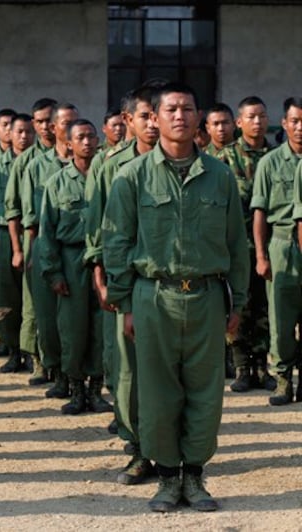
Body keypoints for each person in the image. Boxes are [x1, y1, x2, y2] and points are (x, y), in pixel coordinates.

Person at [103, 82, 249, 513]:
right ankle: (167, 476)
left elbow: (237, 245)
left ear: (198, 116)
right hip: (153, 297)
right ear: (155, 118)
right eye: (170, 109)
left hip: (206, 297)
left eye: (188, 108)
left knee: (206, 393)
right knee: (158, 392)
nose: (180, 116)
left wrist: (236, 302)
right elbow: (117, 244)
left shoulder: (219, 176)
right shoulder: (131, 176)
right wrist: (125, 302)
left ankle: (195, 476)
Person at [85, 83, 160, 485]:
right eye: (144, 116)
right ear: (128, 120)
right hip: (126, 281)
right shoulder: (109, 164)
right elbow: (98, 227)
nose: (152, 123)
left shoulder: (181, 162)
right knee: (128, 370)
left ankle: (169, 447)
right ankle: (136, 448)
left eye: (156, 115)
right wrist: (102, 278)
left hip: (167, 282)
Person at [40, 118, 110, 416]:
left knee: (100, 328)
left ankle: (96, 389)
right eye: (80, 137)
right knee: (72, 329)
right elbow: (47, 230)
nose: (86, 142)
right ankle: (75, 389)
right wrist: (53, 272)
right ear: (68, 143)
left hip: (103, 261)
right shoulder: (57, 183)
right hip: (71, 261)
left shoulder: (108, 177)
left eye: (91, 137)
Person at [18, 103, 79, 389]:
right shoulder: (36, 166)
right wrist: (32, 254)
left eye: (74, 123)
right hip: (43, 247)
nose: (70, 129)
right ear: (53, 128)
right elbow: (31, 218)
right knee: (45, 314)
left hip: (78, 253)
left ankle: (76, 375)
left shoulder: (92, 162)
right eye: (65, 123)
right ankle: (51, 367)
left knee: (76, 319)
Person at [217, 96, 275, 393]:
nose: (257, 121)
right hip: (236, 247)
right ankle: (241, 365)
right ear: (239, 122)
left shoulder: (276, 157)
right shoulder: (224, 159)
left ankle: (263, 365)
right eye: (251, 117)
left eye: (262, 116)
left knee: (265, 306)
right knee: (238, 304)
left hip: (268, 245)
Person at [2, 98, 56, 384]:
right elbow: (13, 211)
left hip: (67, 242)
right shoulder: (25, 163)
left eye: (51, 119)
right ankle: (38, 360)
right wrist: (17, 249)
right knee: (33, 306)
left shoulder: (74, 157)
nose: (46, 126)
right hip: (35, 239)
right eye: (41, 121)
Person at [254, 97, 302, 406]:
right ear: (284, 124)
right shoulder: (269, 163)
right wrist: (261, 256)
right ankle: (283, 379)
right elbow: (259, 212)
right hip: (283, 246)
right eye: (295, 121)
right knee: (282, 321)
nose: (300, 127)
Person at [0, 113, 34, 377]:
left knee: (33, 299)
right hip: (2, 235)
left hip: (33, 234)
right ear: (9, 135)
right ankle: (13, 350)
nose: (24, 137)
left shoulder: (39, 164)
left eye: (28, 132)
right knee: (7, 297)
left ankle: (33, 353)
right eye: (19, 132)